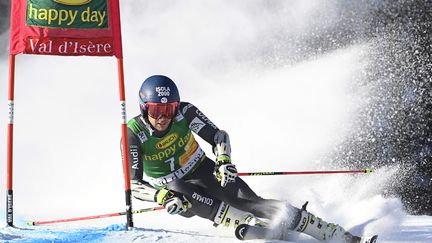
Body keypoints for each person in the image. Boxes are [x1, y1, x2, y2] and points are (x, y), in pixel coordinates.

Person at [122, 75, 364, 242]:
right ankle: (244, 222)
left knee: (252, 201)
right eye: (156, 110)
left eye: (169, 110)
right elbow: (134, 184)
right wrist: (160, 196)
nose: (163, 117)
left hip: (203, 170)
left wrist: (224, 160)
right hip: (176, 192)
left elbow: (218, 135)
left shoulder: (185, 112)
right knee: (177, 188)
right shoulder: (134, 133)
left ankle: (329, 232)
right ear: (144, 108)